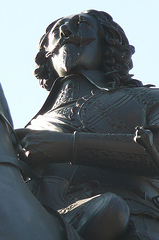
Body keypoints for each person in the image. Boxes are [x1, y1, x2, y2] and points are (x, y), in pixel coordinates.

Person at [16, 10, 159, 240]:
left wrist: (68, 146)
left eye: (81, 24)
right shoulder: (31, 127)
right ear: (46, 53)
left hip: (135, 222)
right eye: (56, 31)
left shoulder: (149, 99)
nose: (64, 32)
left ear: (108, 41)